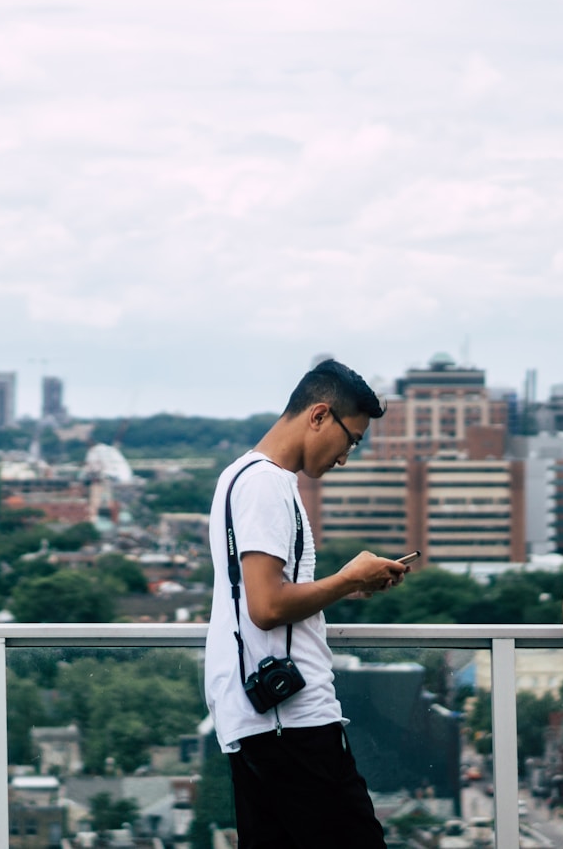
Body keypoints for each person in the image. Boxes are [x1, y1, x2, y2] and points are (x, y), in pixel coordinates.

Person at [203, 358, 413, 849]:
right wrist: (346, 579)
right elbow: (267, 606)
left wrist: (353, 585)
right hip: (290, 724)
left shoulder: (241, 475)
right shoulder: (266, 484)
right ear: (319, 416)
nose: (345, 458)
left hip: (263, 720)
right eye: (351, 440)